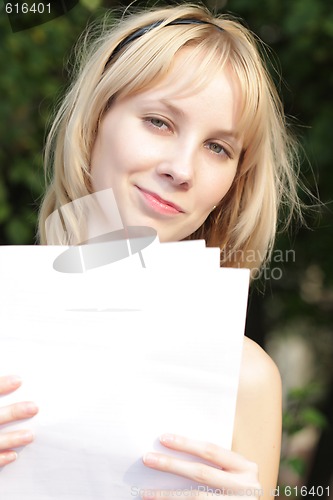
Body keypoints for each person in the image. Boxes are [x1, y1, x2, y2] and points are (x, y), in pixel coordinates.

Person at [0, 3, 302, 498]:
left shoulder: (245, 379)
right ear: (97, 119)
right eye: (160, 122)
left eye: (218, 148)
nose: (182, 168)